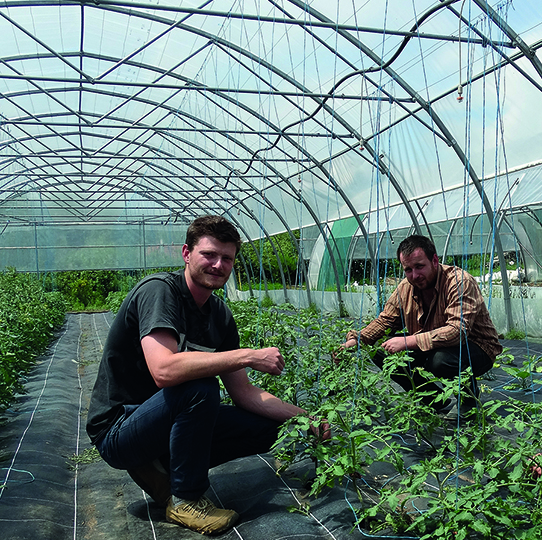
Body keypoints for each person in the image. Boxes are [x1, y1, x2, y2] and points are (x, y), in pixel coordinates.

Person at [86, 215, 327, 535]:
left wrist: (306, 419)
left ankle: (164, 466)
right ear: (186, 253)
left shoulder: (220, 317)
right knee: (199, 386)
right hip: (120, 429)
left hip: (161, 421)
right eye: (209, 254)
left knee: (270, 428)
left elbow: (244, 393)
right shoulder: (160, 292)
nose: (218, 264)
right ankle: (185, 498)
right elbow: (164, 370)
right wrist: (248, 355)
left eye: (226, 258)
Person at [340, 235, 502, 413]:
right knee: (381, 351)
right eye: (408, 269)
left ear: (434, 260)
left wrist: (407, 341)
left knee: (441, 361)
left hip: (477, 348)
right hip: (432, 346)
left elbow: (457, 331)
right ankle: (436, 400)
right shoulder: (405, 288)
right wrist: (356, 341)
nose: (414, 275)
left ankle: (468, 403)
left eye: (419, 266)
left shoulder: (458, 281)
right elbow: (386, 320)